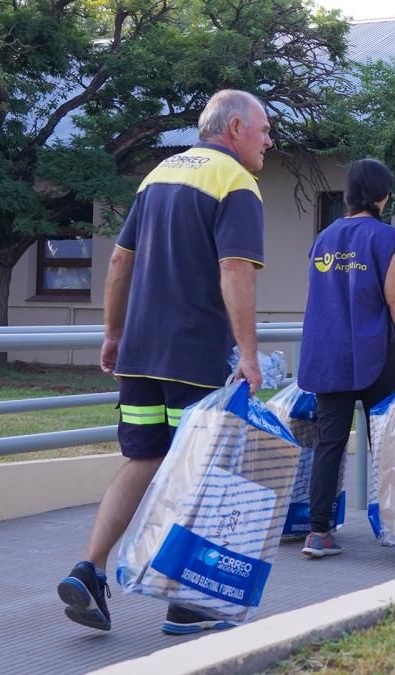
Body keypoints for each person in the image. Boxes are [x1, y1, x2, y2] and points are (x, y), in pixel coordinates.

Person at [56, 90, 273, 635]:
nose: (269, 141)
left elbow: (119, 259)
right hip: (194, 357)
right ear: (237, 127)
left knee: (145, 460)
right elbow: (235, 270)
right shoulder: (235, 183)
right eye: (265, 129)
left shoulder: (160, 174)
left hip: (139, 356)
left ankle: (90, 570)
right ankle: (188, 602)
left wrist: (112, 333)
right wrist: (248, 353)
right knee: (203, 469)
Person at [297, 158, 395, 558]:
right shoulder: (386, 236)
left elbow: (318, 298)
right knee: (390, 443)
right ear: (382, 195)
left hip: (327, 355)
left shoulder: (324, 238)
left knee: (330, 443)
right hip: (376, 354)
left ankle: (318, 533)